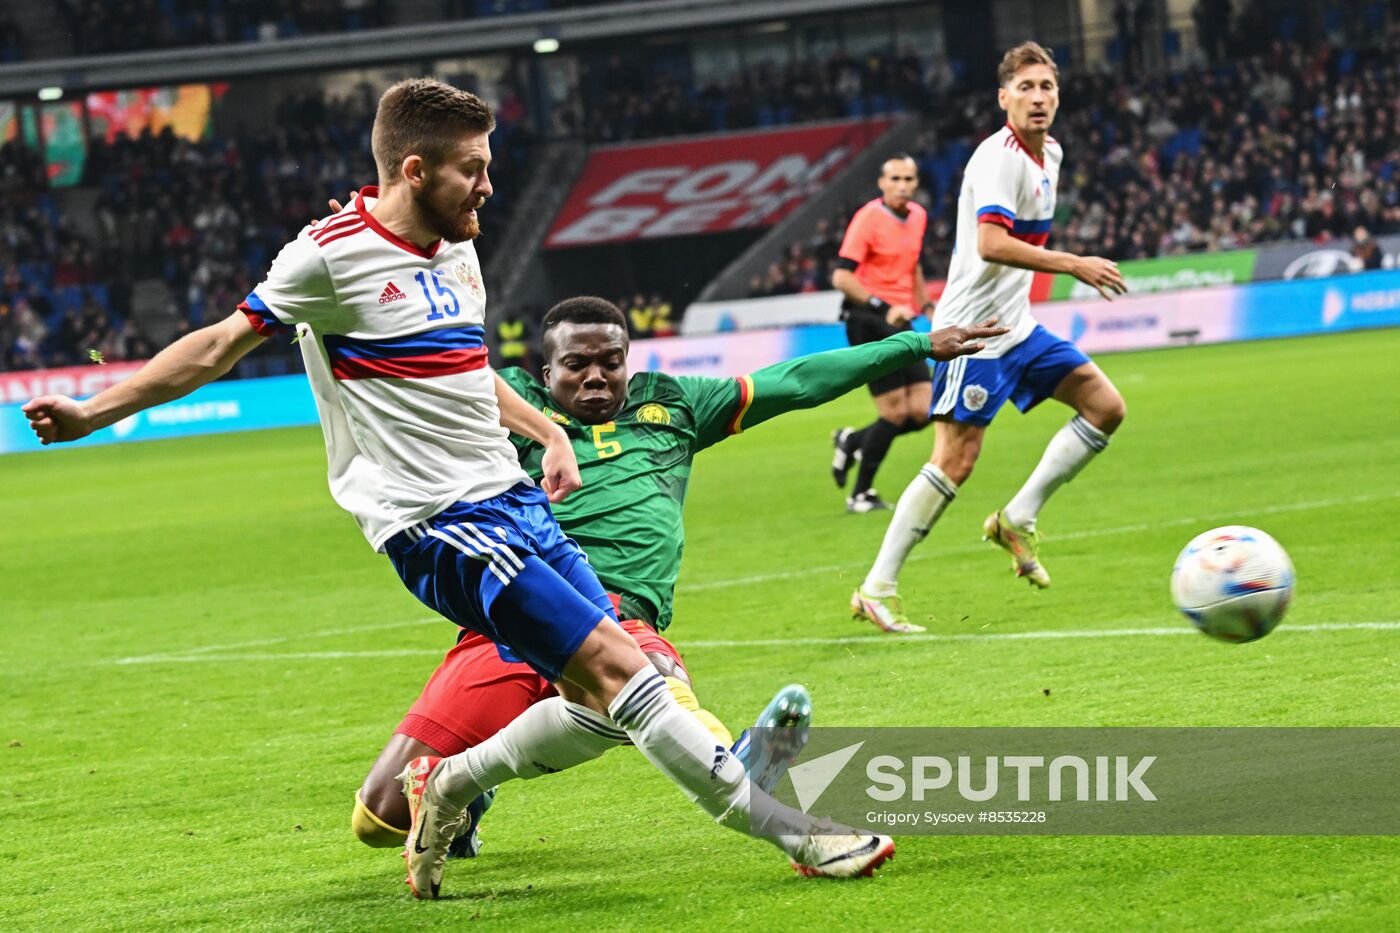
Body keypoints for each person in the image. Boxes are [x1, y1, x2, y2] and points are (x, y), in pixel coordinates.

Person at [23, 78, 905, 899]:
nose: (489, 186)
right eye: (472, 169)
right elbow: (217, 346)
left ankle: (457, 780)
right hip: (442, 524)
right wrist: (99, 409)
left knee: (616, 694)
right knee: (622, 674)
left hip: (514, 505)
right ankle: (796, 834)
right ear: (416, 169)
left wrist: (547, 428)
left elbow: (463, 370)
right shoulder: (328, 259)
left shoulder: (458, 253)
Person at [351, 296, 1008, 845]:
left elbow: (799, 381)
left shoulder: (676, 404)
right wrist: (371, 255)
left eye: (611, 362)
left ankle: (737, 757)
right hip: (509, 619)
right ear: (543, 370)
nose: (596, 378)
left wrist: (916, 347)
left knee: (653, 681)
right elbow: (411, 358)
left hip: (618, 617)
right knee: (379, 819)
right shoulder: (507, 409)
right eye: (576, 364)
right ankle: (471, 792)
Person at [851, 42, 1128, 634]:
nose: (1037, 98)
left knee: (1105, 406)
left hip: (1017, 326)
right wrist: (1075, 263)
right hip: (972, 332)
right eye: (1025, 88)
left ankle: (1016, 519)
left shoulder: (1050, 152)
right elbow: (992, 244)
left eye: (1046, 87)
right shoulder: (997, 158)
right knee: (955, 460)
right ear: (1004, 98)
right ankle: (877, 588)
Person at [829, 154, 937, 513]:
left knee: (922, 411)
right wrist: (881, 306)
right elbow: (842, 278)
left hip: (901, 318)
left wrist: (926, 304)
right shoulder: (869, 217)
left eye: (909, 179)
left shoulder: (918, 217)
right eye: (895, 179)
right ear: (882, 182)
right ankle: (860, 494)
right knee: (893, 414)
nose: (903, 185)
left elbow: (913, 263)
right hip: (868, 320)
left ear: (916, 183)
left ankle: (852, 440)